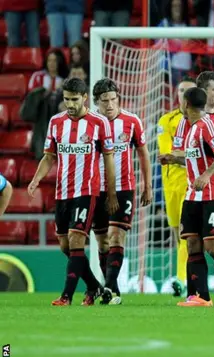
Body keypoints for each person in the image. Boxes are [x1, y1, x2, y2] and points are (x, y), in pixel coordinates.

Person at [28, 78, 117, 306]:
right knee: (65, 246)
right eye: (66, 99)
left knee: (77, 239)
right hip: (62, 193)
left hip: (87, 191)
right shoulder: (56, 122)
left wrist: (112, 192)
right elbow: (49, 156)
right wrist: (36, 178)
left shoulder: (99, 123)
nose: (69, 103)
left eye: (74, 99)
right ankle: (94, 286)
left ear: (85, 97)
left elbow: (108, 158)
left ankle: (66, 296)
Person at [162, 87, 214, 307]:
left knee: (213, 247)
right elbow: (192, 160)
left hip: (212, 194)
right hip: (192, 194)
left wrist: (207, 175)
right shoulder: (189, 127)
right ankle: (201, 297)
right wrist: (173, 159)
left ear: (186, 104)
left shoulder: (208, 125)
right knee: (192, 244)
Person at [91, 78, 153, 304]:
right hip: (96, 190)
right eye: (105, 100)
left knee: (116, 235)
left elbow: (143, 153)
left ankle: (107, 286)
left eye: (113, 99)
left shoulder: (131, 121)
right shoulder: (90, 123)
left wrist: (147, 185)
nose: (109, 104)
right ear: (96, 102)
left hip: (125, 188)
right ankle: (113, 290)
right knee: (102, 243)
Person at [157, 77, 196, 297]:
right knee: (178, 236)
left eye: (188, 91)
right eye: (181, 90)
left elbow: (175, 154)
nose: (184, 94)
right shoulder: (166, 120)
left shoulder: (201, 120)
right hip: (171, 184)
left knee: (186, 234)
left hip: (192, 183)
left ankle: (182, 279)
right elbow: (165, 154)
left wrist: (178, 156)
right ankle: (186, 276)